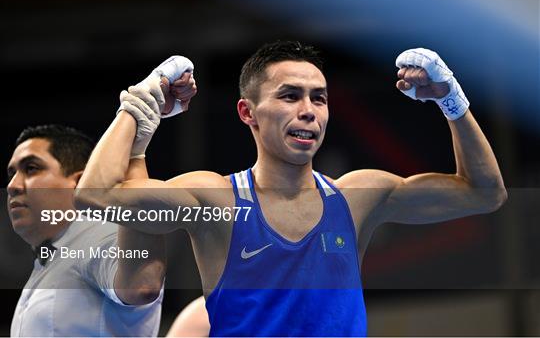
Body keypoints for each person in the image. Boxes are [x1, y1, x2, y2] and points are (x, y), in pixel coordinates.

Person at [76, 41, 507, 336]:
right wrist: (138, 106)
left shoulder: (358, 197)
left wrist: (452, 101)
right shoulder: (214, 200)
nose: (308, 112)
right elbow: (96, 194)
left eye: (318, 99)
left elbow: (484, 193)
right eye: (290, 96)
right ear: (248, 112)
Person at [6, 125, 166, 336]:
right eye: (11, 173)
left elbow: (142, 285)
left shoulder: (98, 234)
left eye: (31, 168)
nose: (12, 186)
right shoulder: (53, 257)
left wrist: (134, 155)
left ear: (79, 182)